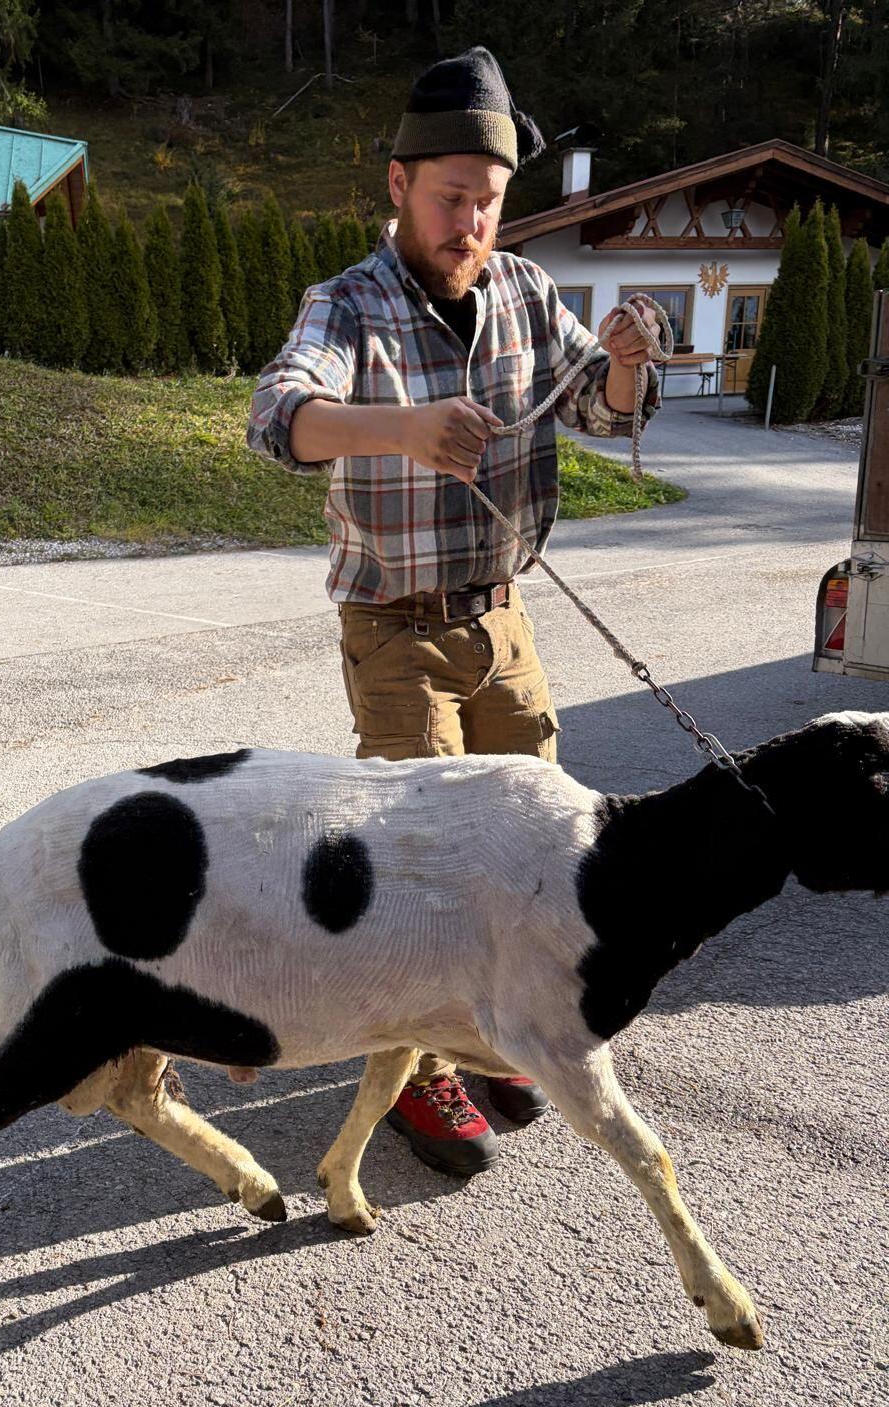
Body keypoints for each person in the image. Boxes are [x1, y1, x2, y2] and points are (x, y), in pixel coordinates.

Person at [247, 45, 661, 1177]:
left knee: (531, 837)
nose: (470, 220)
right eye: (449, 197)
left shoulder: (530, 295)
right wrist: (403, 427)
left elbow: (607, 410)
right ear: (396, 184)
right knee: (420, 866)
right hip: (393, 628)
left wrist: (623, 364)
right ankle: (420, 1077)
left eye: (487, 201)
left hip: (504, 615)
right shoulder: (347, 305)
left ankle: (493, 1039)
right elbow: (278, 417)